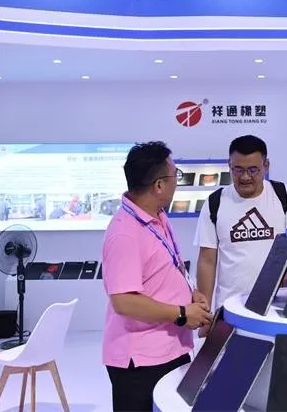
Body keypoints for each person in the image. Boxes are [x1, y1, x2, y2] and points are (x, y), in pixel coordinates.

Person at [101, 141, 212, 412]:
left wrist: (190, 294)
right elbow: (124, 302)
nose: (177, 182)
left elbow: (162, 270)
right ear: (159, 185)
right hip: (141, 361)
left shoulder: (157, 216)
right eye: (176, 175)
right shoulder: (125, 233)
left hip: (170, 348)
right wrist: (182, 313)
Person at [195, 135, 287, 329]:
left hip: (275, 309)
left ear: (266, 166)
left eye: (253, 170)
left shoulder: (284, 195)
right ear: (229, 166)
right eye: (238, 170)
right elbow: (207, 261)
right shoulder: (215, 202)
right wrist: (205, 315)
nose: (245, 177)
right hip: (229, 310)